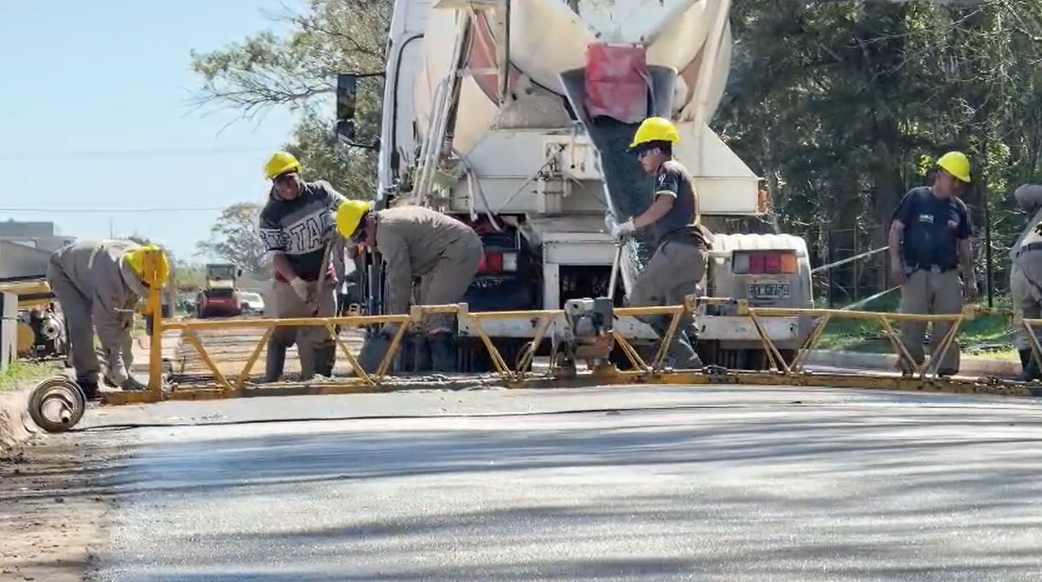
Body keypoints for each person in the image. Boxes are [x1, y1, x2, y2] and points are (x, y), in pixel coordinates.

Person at [335, 200, 483, 372]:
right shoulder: (384, 225)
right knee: (422, 318)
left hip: (459, 249)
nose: (363, 243)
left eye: (361, 237)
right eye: (357, 240)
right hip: (440, 257)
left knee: (435, 317)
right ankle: (425, 376)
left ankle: (444, 378)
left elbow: (399, 279)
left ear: (369, 220)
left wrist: (394, 321)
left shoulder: (387, 234)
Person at [611, 116, 710, 370]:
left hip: (678, 249)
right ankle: (692, 365)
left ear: (656, 149)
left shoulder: (668, 169)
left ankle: (683, 356)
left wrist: (631, 225)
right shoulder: (681, 171)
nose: (640, 159)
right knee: (680, 313)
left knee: (639, 301)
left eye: (642, 153)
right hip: (695, 253)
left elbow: (664, 203)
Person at [258, 151, 347, 381]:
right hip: (289, 280)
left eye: (289, 179)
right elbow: (276, 254)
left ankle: (318, 378)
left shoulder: (321, 192)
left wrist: (336, 222)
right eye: (279, 182)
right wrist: (295, 281)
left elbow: (347, 209)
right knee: (283, 331)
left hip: (323, 274)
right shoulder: (270, 215)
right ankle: (271, 380)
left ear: (298, 173)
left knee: (325, 327)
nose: (286, 186)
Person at [888, 151, 977, 377]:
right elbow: (896, 230)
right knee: (913, 321)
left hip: (948, 273)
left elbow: (965, 245)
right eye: (954, 179)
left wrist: (970, 278)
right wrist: (896, 263)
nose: (957, 186)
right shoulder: (916, 198)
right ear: (941, 174)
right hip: (916, 272)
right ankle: (909, 365)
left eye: (960, 182)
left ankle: (945, 368)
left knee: (948, 322)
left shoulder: (959, 208)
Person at [46, 240, 170, 399]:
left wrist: (127, 314)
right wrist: (121, 374)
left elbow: (128, 306)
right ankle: (87, 381)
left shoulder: (142, 259)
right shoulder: (109, 278)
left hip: (90, 272)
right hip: (64, 273)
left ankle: (115, 374)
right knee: (81, 323)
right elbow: (106, 326)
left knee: (124, 323)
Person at [1009, 184, 1042, 381]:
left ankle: (1029, 373)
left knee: (1025, 323)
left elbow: (1021, 192)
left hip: (1020, 261)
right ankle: (1033, 370)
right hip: (1035, 260)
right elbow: (1021, 192)